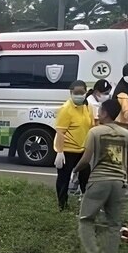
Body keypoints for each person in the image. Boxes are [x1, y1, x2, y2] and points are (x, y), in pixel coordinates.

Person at [75, 99, 128, 253]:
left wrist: (74, 170)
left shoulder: (95, 132)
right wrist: (127, 182)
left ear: (106, 113)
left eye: (100, 111)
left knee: (86, 220)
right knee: (114, 224)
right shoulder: (126, 134)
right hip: (119, 182)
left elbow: (86, 160)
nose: (98, 114)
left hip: (99, 180)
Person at [53, 80, 94, 211]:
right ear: (71, 93)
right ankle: (62, 205)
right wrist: (60, 152)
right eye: (76, 93)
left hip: (83, 150)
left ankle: (87, 206)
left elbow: (91, 126)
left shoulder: (87, 106)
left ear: (86, 92)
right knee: (64, 179)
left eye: (82, 92)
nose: (79, 95)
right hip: (67, 150)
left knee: (85, 178)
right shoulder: (66, 109)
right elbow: (60, 132)